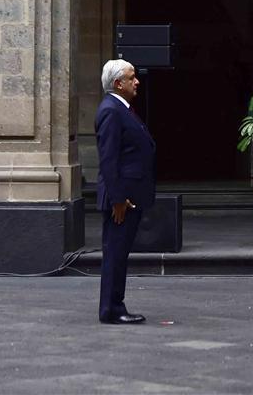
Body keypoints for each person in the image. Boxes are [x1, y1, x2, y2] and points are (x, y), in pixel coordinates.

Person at [96, 59, 156, 324]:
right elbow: (108, 160)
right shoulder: (111, 110)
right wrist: (118, 199)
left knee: (119, 253)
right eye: (132, 78)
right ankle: (112, 309)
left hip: (129, 196)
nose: (137, 81)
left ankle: (114, 306)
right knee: (115, 254)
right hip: (122, 200)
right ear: (118, 83)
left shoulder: (122, 108)